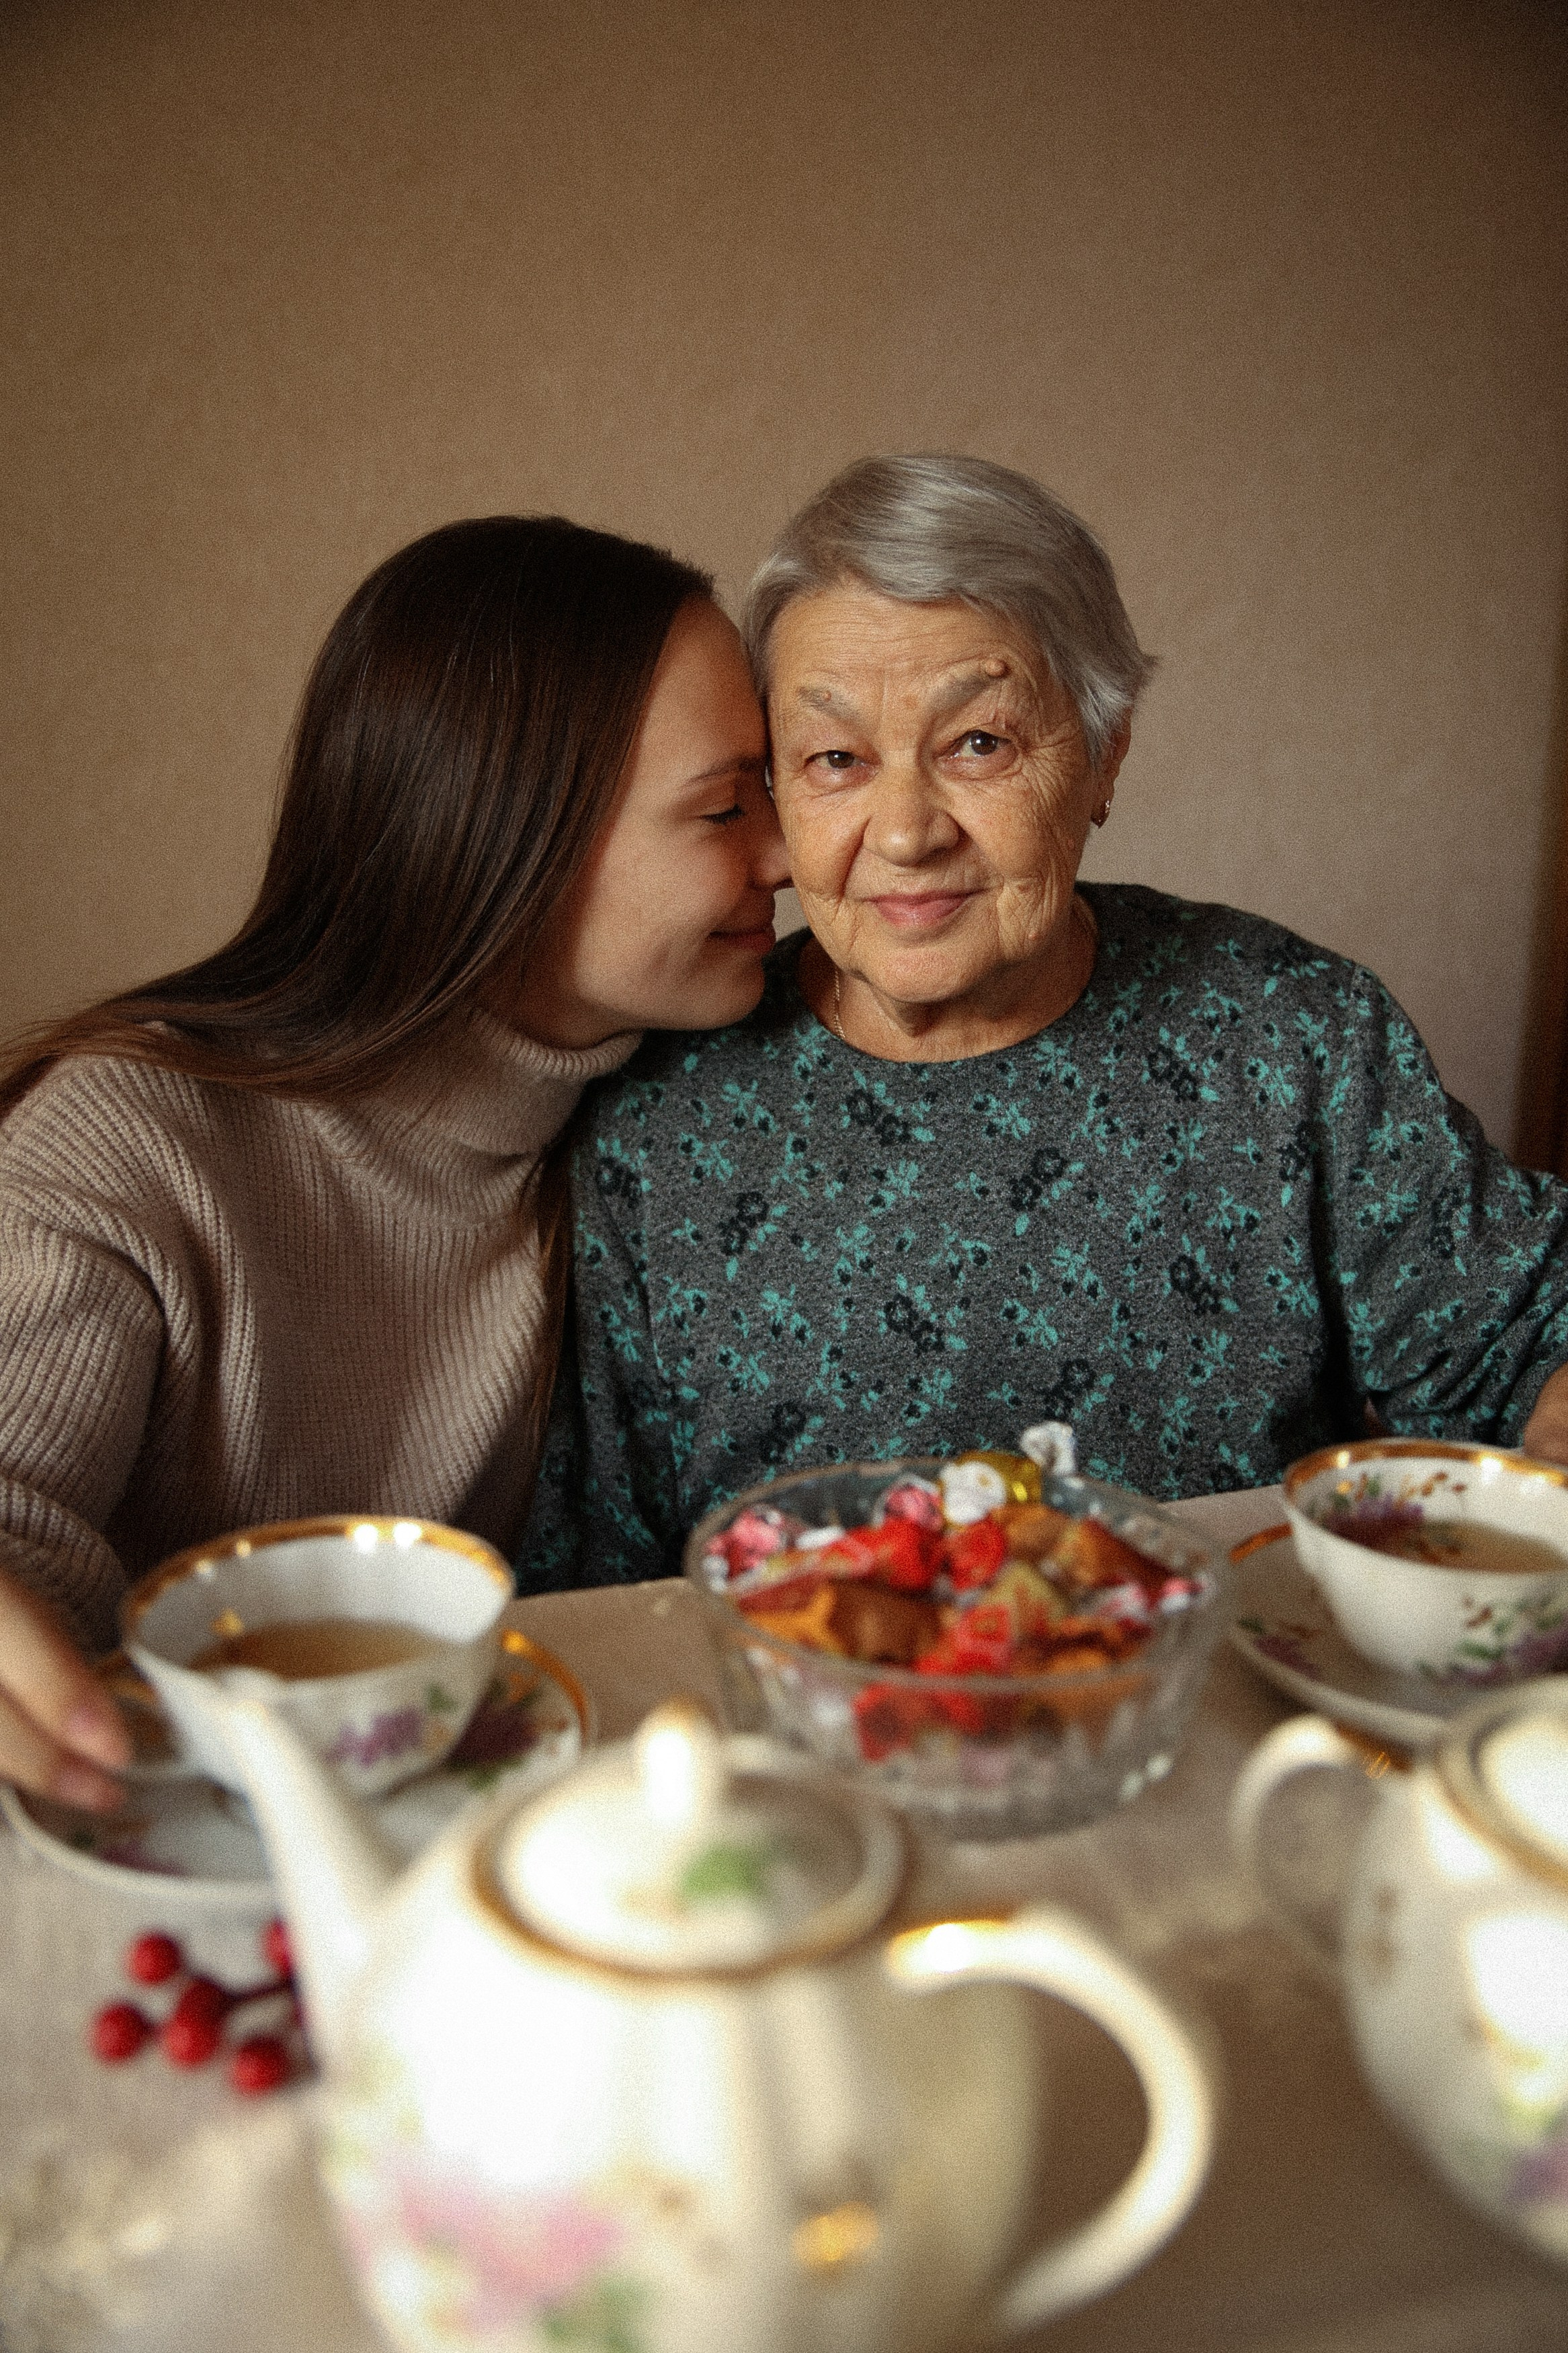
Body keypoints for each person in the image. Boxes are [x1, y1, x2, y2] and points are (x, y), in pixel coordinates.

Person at [523, 454, 1568, 1588]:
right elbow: (602, 1573)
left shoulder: (1293, 1035)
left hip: (1213, 1724)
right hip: (802, 1738)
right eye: (835, 758)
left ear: (1103, 755)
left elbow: (1531, 1343)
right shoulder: (659, 1113)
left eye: (979, 743)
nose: (908, 830)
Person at [0, 514, 788, 1806]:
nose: (786, 855)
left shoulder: (666, 1119)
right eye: (722, 806)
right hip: (148, 1839)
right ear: (506, 840)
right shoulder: (132, 1144)